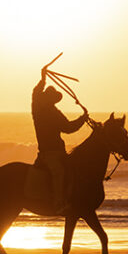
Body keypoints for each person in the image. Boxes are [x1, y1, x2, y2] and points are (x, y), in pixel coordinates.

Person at [32, 66, 88, 213]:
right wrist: (43, 79)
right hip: (49, 152)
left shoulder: (51, 111)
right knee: (59, 172)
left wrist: (83, 119)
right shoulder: (39, 108)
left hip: (58, 151)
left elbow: (68, 127)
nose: (51, 101)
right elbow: (69, 128)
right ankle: (58, 203)